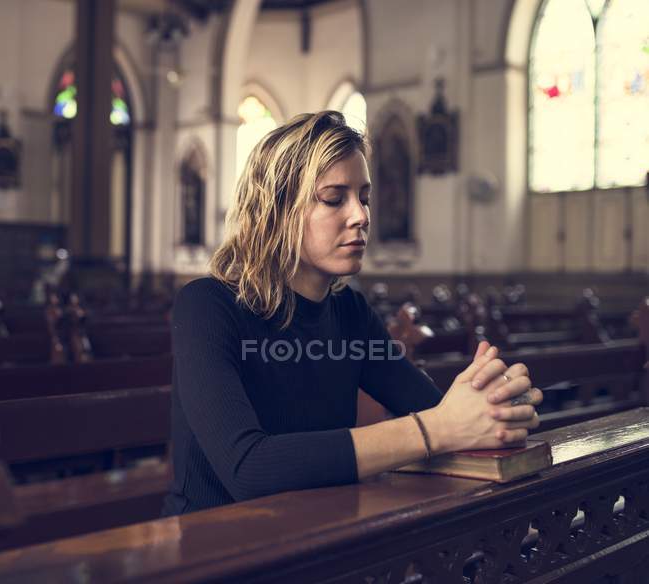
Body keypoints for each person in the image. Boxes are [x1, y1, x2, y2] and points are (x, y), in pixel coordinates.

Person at [162, 111, 542, 516]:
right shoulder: (207, 307)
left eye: (364, 197)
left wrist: (495, 403)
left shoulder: (350, 313)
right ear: (277, 209)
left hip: (316, 532)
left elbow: (438, 411)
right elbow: (249, 469)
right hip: (213, 546)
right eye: (333, 198)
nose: (361, 216)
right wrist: (435, 430)